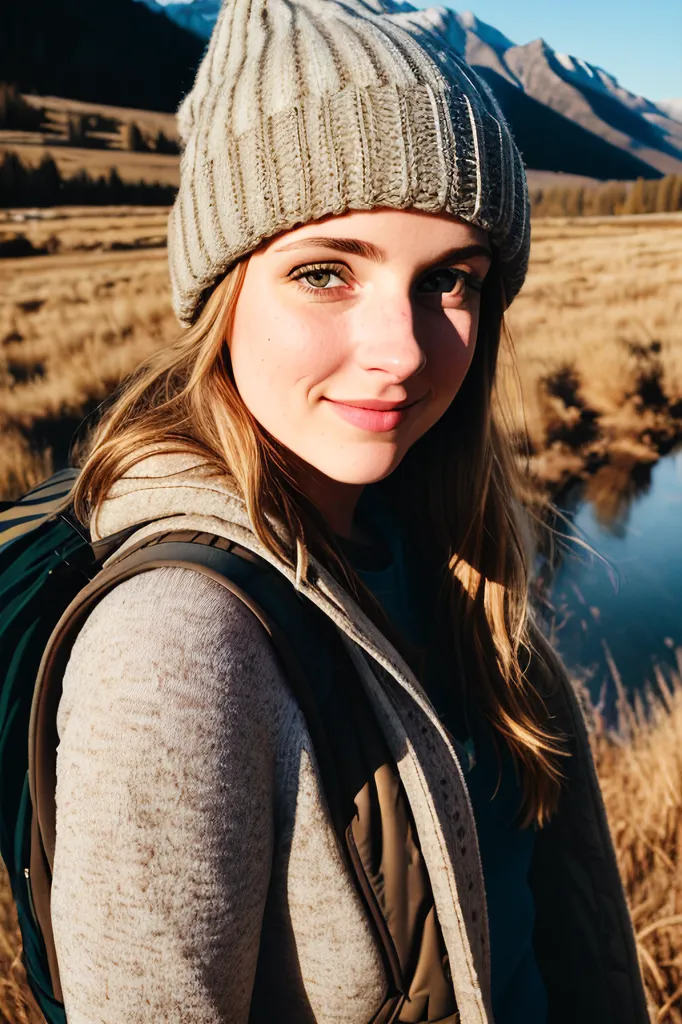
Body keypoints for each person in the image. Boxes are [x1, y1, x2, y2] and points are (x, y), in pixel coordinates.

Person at [50, 1, 648, 1022]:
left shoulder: (448, 557)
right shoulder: (176, 648)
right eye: (325, 271)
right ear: (223, 291)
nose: (405, 350)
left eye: (449, 280)